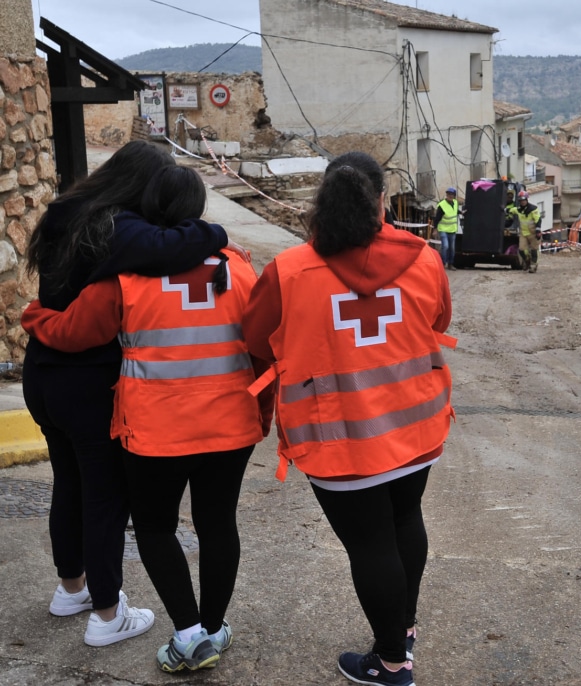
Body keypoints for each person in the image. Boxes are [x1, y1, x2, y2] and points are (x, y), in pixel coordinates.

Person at [22, 165, 274, 672]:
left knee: (156, 529)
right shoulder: (241, 268)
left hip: (155, 430)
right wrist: (260, 416)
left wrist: (36, 316)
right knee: (218, 523)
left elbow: (74, 333)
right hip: (229, 425)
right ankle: (214, 624)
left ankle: (185, 633)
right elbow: (266, 350)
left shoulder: (126, 276)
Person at [243, 151, 454, 686]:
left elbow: (255, 339)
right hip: (415, 429)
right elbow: (438, 318)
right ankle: (401, 629)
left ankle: (390, 663)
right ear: (382, 201)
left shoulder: (290, 272)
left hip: (338, 442)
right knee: (406, 522)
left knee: (370, 544)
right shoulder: (424, 257)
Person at [506, 190, 542, 273]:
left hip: (533, 233)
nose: (522, 202)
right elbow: (510, 210)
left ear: (527, 200)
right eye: (521, 200)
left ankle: (533, 266)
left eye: (524, 200)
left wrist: (538, 230)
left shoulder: (533, 209)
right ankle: (527, 261)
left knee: (534, 250)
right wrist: (503, 209)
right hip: (523, 233)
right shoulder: (518, 210)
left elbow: (538, 219)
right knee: (522, 250)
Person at [433, 186, 460, 270]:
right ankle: (443, 263)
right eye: (448, 194)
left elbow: (455, 211)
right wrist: (435, 229)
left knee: (452, 248)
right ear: (446, 195)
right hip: (443, 229)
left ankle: (450, 264)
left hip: (452, 229)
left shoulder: (455, 203)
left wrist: (462, 212)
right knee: (445, 246)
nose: (450, 196)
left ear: (454, 195)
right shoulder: (442, 205)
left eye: (452, 194)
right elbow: (437, 218)